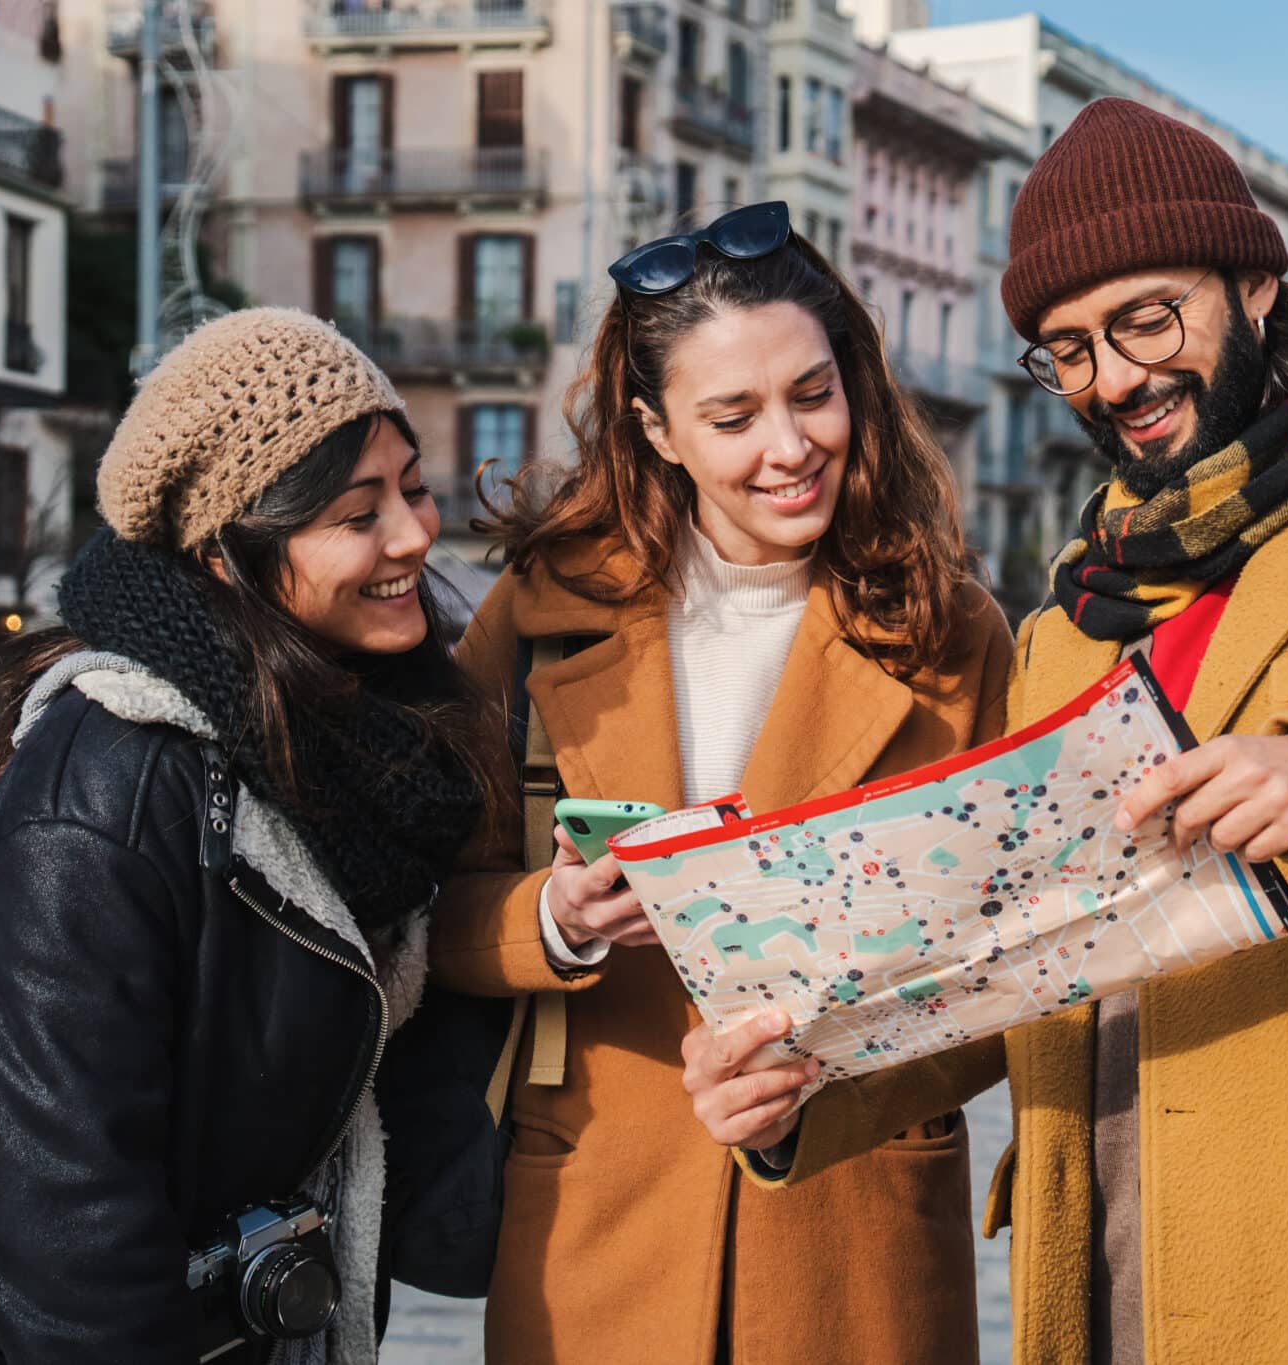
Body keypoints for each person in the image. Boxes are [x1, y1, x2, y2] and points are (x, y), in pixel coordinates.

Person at [683, 102, 1288, 1363]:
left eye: (1147, 318)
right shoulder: (1064, 626)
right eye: (1067, 349)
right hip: (1112, 1273)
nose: (1116, 378)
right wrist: (805, 1087)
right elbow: (1024, 962)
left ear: (1252, 283)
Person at [0, 309, 493, 1364]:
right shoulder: (113, 775)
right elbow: (67, 1216)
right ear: (230, 555)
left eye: (411, 487)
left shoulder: (356, 756)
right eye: (356, 512)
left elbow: (408, 1137)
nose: (413, 535)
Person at [413, 202, 1015, 1363]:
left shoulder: (952, 635)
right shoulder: (537, 617)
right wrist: (553, 920)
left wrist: (819, 1098)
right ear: (655, 429)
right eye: (731, 416)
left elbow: (1010, 969)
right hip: (594, 1239)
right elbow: (420, 915)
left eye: (811, 393)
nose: (787, 448)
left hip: (853, 1241)